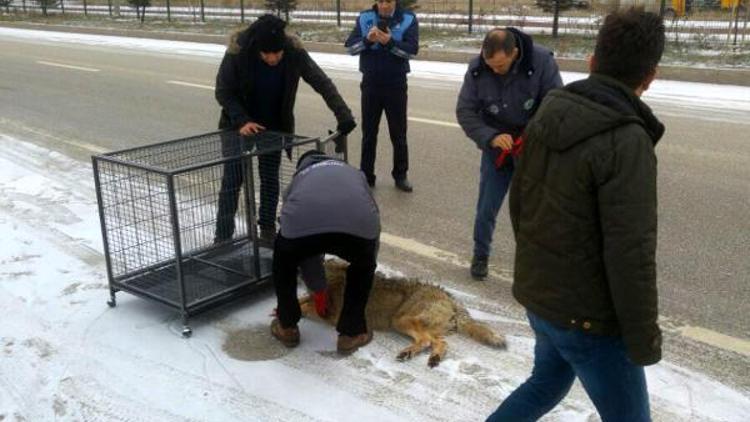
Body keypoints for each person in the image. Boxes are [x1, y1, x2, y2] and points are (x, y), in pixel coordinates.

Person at [488, 8, 666, 421]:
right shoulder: (626, 139)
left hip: (544, 301)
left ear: (592, 61)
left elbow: (520, 205)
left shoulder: (548, 111)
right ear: (650, 77)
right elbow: (632, 252)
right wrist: (643, 341)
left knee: (545, 384)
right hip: (589, 321)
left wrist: (537, 282)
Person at [214, 14, 356, 244]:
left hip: (273, 127)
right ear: (256, 48)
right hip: (238, 126)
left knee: (270, 178)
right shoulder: (238, 52)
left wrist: (343, 113)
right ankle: (222, 238)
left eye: (277, 54)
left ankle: (267, 232)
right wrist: (242, 121)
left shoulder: (293, 51)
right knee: (232, 180)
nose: (272, 59)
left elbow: (321, 81)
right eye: (266, 54)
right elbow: (223, 91)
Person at [456, 27, 562, 281]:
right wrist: (490, 136)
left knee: (530, 212)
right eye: (490, 64)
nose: (495, 70)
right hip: (496, 149)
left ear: (514, 53)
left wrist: (531, 136)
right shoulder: (477, 68)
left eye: (501, 65)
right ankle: (480, 254)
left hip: (531, 147)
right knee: (486, 209)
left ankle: (531, 265)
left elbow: (556, 104)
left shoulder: (542, 62)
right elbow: (465, 111)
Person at [270, 150, 380, 355]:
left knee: (283, 260)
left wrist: (318, 289)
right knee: (363, 267)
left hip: (303, 225)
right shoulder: (354, 172)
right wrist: (366, 259)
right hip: (358, 227)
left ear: (302, 166)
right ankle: (351, 333)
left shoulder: (299, 178)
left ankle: (287, 326)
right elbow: (371, 214)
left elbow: (303, 246)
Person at [345, 0, 419, 192]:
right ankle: (366, 175)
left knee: (399, 133)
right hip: (370, 84)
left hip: (396, 84)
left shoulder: (408, 19)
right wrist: (368, 41)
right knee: (369, 133)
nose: (385, 5)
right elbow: (350, 48)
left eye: (389, 1)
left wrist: (389, 42)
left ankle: (401, 175)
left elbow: (411, 51)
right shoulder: (364, 18)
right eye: (381, 1)